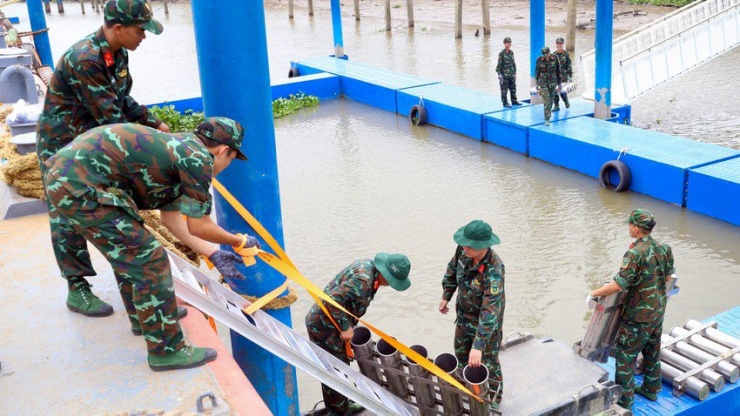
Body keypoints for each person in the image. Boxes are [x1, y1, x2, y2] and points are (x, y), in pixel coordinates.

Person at [42, 117, 260, 371]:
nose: (227, 165)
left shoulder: (181, 149)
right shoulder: (199, 159)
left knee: (130, 249)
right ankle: (166, 351)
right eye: (231, 159)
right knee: (148, 259)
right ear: (223, 151)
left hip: (71, 176)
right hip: (78, 186)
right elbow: (199, 225)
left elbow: (172, 219)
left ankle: (144, 317)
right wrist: (237, 240)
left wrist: (213, 253)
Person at [36, 0, 173, 317]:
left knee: (116, 204)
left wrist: (156, 124)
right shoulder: (86, 58)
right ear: (119, 28)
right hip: (63, 142)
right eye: (140, 30)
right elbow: (111, 119)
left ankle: (135, 288)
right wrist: (153, 151)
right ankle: (77, 288)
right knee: (67, 211)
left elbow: (123, 99)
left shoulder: (119, 52)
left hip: (93, 137)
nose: (144, 37)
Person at [588, 209, 674, 410]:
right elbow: (669, 278)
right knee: (652, 349)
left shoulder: (635, 253)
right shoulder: (663, 247)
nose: (629, 227)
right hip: (658, 311)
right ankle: (652, 389)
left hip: (638, 316)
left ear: (636, 228)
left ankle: (624, 402)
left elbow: (619, 284)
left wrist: (593, 293)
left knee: (625, 356)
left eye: (630, 224)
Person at [306, 253, 412, 415]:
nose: (390, 285)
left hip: (331, 323)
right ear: (385, 274)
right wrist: (345, 327)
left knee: (338, 367)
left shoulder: (368, 267)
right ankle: (338, 412)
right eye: (391, 281)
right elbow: (331, 299)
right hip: (324, 327)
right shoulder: (362, 282)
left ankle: (341, 405)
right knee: (335, 369)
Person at [439, 220, 505, 408]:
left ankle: (494, 397)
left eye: (470, 245)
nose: (465, 248)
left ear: (483, 246)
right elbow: (451, 271)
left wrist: (479, 343)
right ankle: (467, 390)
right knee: (461, 356)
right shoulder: (463, 251)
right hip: (463, 318)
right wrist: (447, 295)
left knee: (488, 363)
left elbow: (490, 309)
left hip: (485, 325)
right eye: (464, 243)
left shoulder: (494, 270)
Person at [534, 46, 561, 126]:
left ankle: (547, 113)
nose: (546, 56)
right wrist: (537, 84)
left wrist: (559, 84)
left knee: (551, 99)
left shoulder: (555, 58)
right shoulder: (539, 60)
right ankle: (547, 118)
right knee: (547, 100)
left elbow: (558, 71)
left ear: (550, 52)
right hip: (543, 83)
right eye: (544, 54)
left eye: (547, 54)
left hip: (553, 82)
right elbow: (537, 73)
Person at [495, 37, 521, 108]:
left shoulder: (511, 52)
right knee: (504, 90)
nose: (509, 44)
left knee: (513, 88)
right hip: (504, 76)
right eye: (507, 42)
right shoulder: (501, 53)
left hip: (511, 75)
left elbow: (513, 63)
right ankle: (505, 102)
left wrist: (515, 72)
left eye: (510, 42)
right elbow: (499, 64)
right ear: (504, 43)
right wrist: (499, 74)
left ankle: (514, 101)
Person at [553, 37, 572, 110]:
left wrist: (570, 76)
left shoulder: (566, 54)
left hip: (563, 77)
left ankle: (566, 101)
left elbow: (569, 66)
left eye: (560, 44)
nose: (559, 45)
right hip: (555, 77)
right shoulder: (553, 54)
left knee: (562, 91)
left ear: (563, 44)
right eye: (558, 43)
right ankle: (556, 105)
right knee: (554, 92)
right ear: (556, 44)